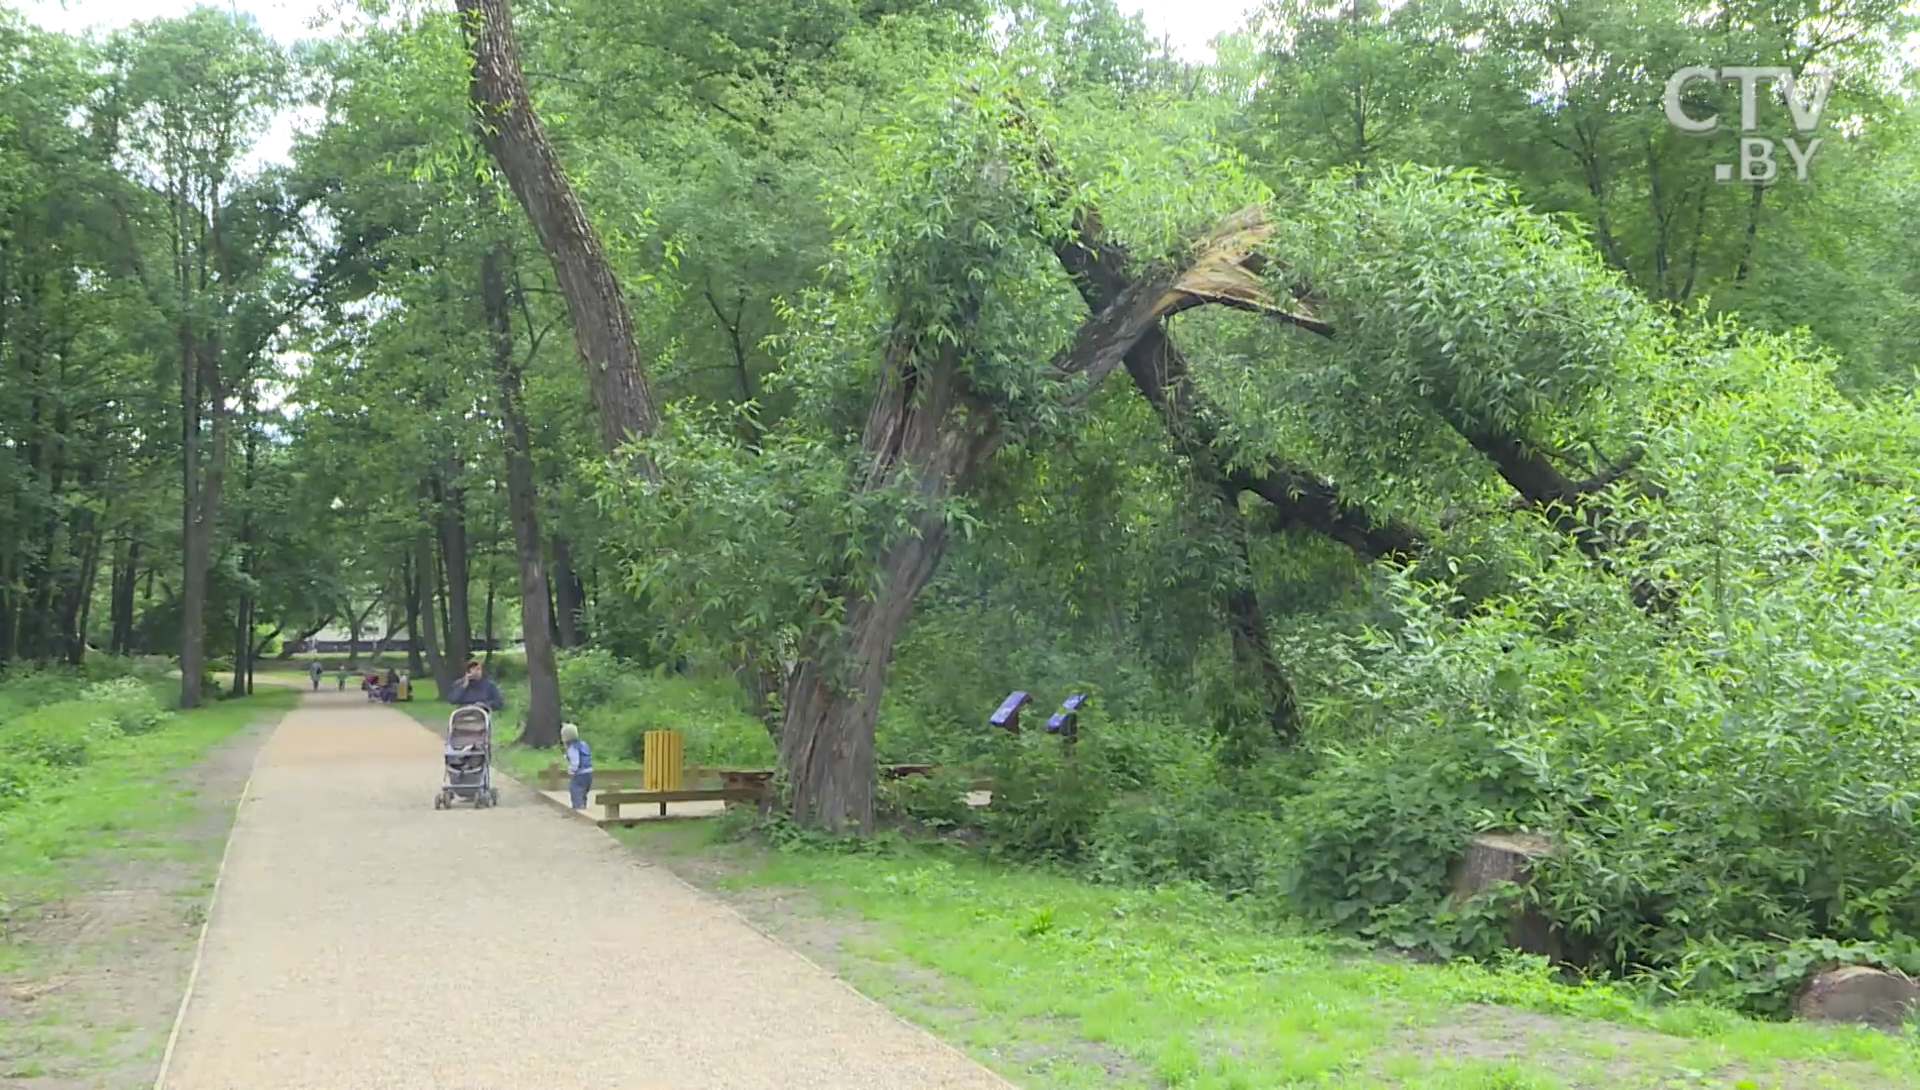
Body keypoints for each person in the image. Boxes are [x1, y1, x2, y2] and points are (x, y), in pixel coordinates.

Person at [561, 723, 593, 810]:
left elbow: (575, 761)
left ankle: (578, 808)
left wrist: (571, 770)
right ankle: (583, 806)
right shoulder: (584, 744)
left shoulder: (572, 748)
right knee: (583, 792)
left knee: (575, 789)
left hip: (580, 773)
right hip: (589, 772)